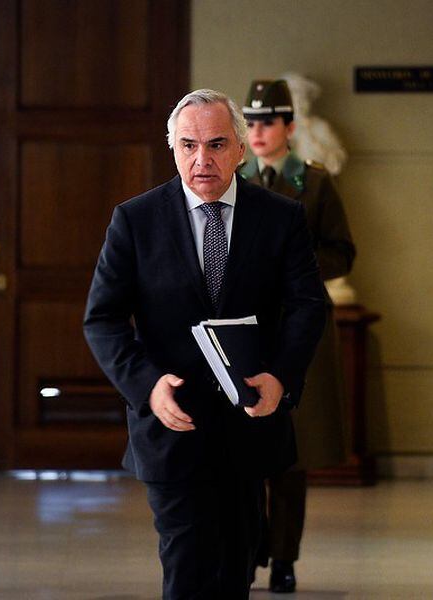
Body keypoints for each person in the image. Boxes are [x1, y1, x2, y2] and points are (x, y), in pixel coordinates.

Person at [83, 89, 326, 599]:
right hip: (173, 423)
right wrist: (147, 387)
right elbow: (102, 319)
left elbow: (308, 305)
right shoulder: (136, 219)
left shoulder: (281, 218)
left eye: (216, 145)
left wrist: (282, 376)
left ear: (241, 150)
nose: (202, 160)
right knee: (187, 565)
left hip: (250, 420)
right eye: (188, 145)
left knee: (235, 565)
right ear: (171, 148)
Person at [239, 79, 356, 593]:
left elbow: (342, 251)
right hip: (244, 328)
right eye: (252, 122)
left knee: (291, 451)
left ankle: (284, 557)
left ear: (289, 126)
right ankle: (248, 550)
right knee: (241, 451)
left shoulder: (313, 181)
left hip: (295, 326)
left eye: (269, 122)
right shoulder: (232, 178)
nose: (259, 132)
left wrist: (295, 270)